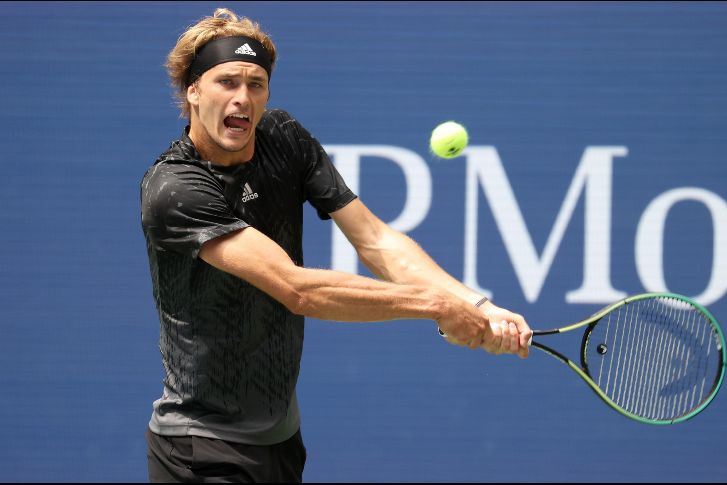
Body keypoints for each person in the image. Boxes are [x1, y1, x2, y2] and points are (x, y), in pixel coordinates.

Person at [140, 7, 532, 483]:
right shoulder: (175, 188)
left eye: (256, 84)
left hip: (280, 442)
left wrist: (477, 304)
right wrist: (437, 305)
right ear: (193, 89)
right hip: (200, 449)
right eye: (227, 82)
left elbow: (375, 239)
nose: (243, 98)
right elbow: (297, 289)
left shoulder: (283, 138)